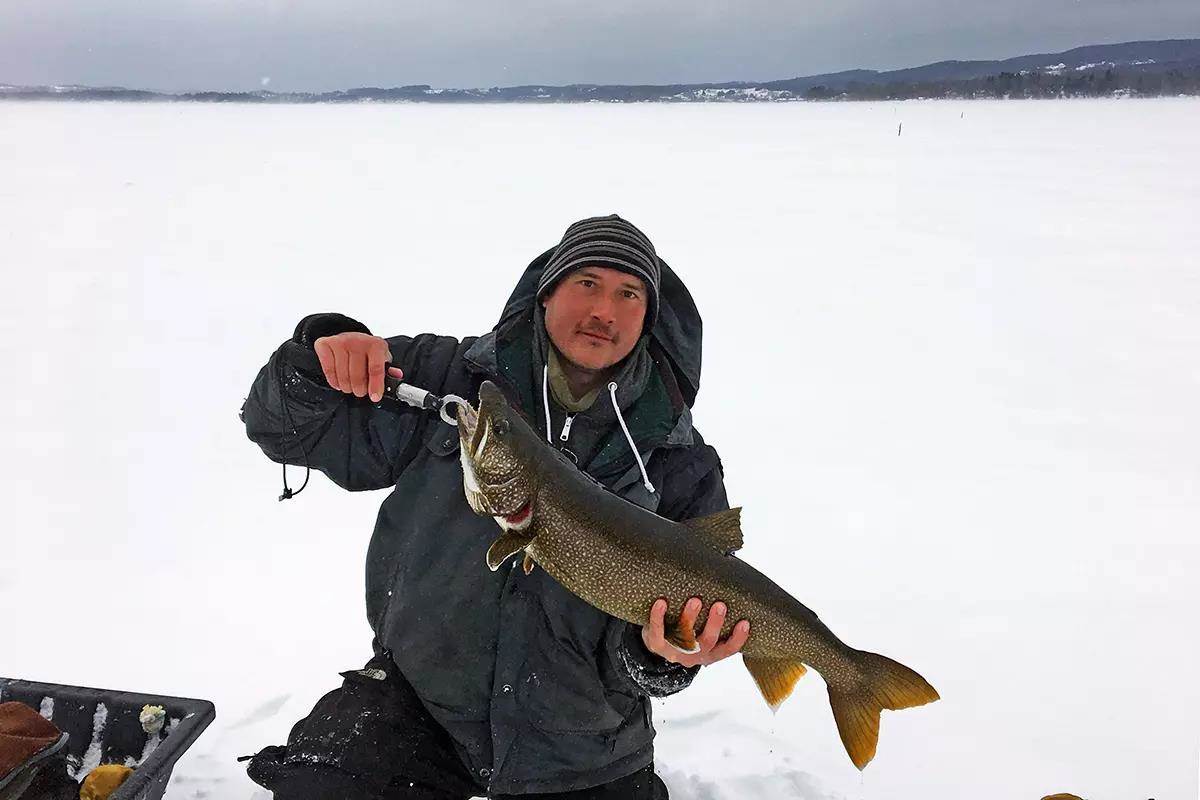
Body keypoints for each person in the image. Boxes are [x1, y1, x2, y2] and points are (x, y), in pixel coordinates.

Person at [239, 215, 748, 799]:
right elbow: (283, 429)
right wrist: (319, 353)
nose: (603, 310)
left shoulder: (680, 461)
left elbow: (662, 652)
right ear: (546, 292)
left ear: (647, 316)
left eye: (627, 293)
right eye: (585, 283)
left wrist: (660, 656)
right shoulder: (452, 378)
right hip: (420, 703)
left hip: (581, 743)